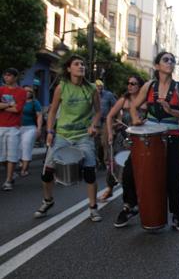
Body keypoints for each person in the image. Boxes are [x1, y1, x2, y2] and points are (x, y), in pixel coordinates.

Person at [114, 51, 179, 230]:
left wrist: (173, 112)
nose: (170, 62)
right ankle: (130, 206)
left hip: (171, 135)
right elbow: (134, 106)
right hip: (148, 134)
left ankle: (177, 213)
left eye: (173, 60)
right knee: (130, 171)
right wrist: (135, 119)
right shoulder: (149, 86)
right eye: (166, 60)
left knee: (174, 176)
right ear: (157, 66)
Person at [34, 55, 102, 221]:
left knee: (90, 173)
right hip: (63, 135)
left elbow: (98, 111)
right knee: (47, 173)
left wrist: (93, 125)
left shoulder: (92, 88)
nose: (81, 66)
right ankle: (48, 200)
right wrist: (49, 132)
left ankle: (93, 207)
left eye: (83, 64)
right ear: (69, 69)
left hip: (83, 136)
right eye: (77, 64)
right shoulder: (61, 87)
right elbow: (52, 111)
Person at [98, 76, 145, 202]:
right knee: (115, 163)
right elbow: (109, 116)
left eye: (133, 84)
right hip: (123, 137)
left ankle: (136, 193)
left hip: (140, 139)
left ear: (140, 86)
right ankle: (109, 188)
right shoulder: (124, 100)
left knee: (137, 167)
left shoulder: (146, 102)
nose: (129, 86)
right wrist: (109, 133)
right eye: (128, 83)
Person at [0, 68, 27, 190]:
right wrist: (10, 104)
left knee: (11, 155)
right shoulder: (1, 90)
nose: (6, 77)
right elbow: (14, 107)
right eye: (5, 75)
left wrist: (2, 106)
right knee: (1, 157)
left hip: (14, 128)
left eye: (9, 75)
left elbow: (17, 109)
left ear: (15, 77)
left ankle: (8, 180)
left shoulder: (21, 92)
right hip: (1, 126)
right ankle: (11, 173)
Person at [19, 85, 43, 177]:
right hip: (17, 127)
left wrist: (39, 128)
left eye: (30, 91)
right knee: (18, 148)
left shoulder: (34, 102)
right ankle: (22, 162)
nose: (27, 92)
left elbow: (39, 115)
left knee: (26, 146)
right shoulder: (18, 101)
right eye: (25, 91)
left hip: (30, 128)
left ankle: (24, 170)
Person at [95, 79, 116, 171]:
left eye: (101, 86)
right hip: (94, 122)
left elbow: (116, 106)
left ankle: (107, 163)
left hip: (105, 122)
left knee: (105, 142)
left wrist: (115, 119)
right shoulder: (91, 94)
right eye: (97, 86)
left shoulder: (108, 95)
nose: (99, 88)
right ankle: (95, 162)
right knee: (94, 143)